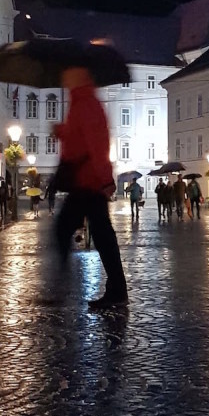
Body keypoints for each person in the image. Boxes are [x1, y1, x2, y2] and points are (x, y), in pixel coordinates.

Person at [53, 65, 128, 309]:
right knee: (99, 234)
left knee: (71, 229)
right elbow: (79, 138)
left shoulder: (86, 104)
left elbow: (97, 145)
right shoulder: (80, 102)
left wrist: (106, 178)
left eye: (68, 73)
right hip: (84, 181)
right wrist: (63, 132)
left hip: (89, 181)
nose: (64, 76)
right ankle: (116, 289)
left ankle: (61, 289)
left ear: (79, 76)